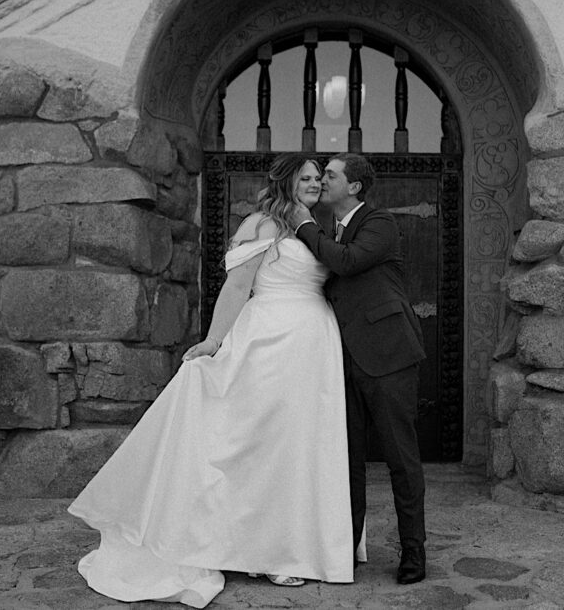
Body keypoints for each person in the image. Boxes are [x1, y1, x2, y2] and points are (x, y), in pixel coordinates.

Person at [67, 154, 354, 608]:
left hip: (313, 345)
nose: (315, 183)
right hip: (270, 342)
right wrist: (215, 340)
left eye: (319, 178)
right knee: (264, 443)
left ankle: (291, 548)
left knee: (301, 444)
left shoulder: (315, 227)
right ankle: (261, 548)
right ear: (285, 181)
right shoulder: (262, 224)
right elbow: (238, 287)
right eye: (305, 177)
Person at [292, 153, 428, 585]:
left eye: (330, 175)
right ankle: (345, 549)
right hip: (342, 361)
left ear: (353, 187)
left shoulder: (380, 222)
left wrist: (303, 226)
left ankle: (413, 554)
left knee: (400, 459)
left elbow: (347, 262)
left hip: (389, 356)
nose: (322, 181)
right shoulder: (329, 229)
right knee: (346, 460)